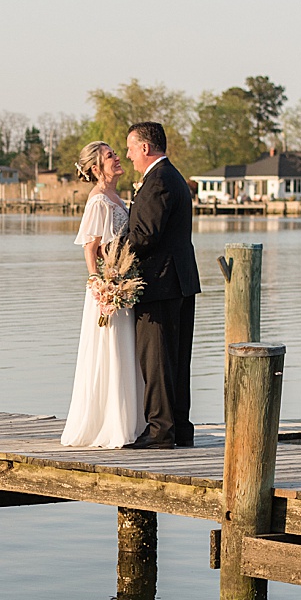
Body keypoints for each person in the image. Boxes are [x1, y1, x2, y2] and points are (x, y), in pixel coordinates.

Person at [59, 141, 145, 448]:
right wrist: (100, 283)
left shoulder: (115, 196)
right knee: (110, 350)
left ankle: (129, 421)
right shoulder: (98, 201)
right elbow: (90, 247)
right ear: (96, 168)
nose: (118, 158)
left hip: (122, 282)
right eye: (111, 156)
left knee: (124, 350)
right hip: (107, 288)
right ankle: (108, 423)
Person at [122, 121, 201, 448]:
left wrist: (113, 247)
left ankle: (160, 431)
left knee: (157, 361)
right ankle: (179, 428)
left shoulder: (159, 181)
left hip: (161, 284)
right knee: (177, 359)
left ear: (145, 147)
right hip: (178, 281)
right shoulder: (172, 177)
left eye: (130, 148)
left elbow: (145, 236)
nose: (128, 156)